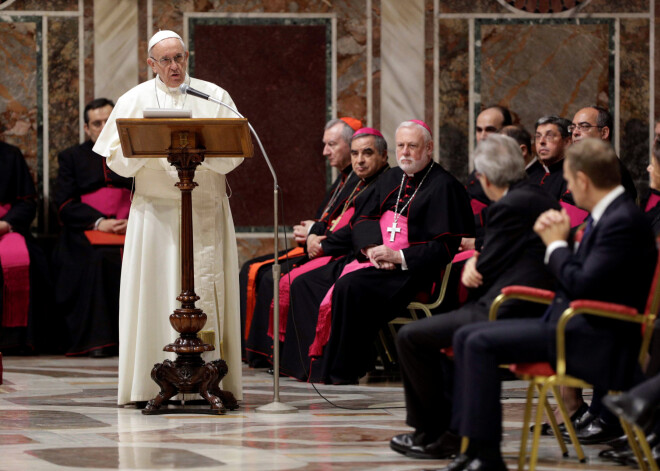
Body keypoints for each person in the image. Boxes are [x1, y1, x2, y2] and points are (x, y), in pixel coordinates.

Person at [439, 138, 656, 471]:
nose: (567, 188)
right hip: (573, 325)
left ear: (583, 180)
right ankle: (473, 451)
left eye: (568, 181)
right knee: (469, 335)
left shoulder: (622, 220)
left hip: (596, 338)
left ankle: (486, 457)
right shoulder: (609, 216)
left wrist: (555, 247)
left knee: (478, 340)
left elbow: (583, 284)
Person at [93, 30, 243, 406]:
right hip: (156, 216)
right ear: (151, 63)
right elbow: (116, 160)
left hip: (204, 208)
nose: (174, 66)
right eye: (166, 60)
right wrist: (149, 147)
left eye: (180, 58)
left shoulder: (213, 96)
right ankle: (152, 383)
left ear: (187, 56)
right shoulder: (135, 99)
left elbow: (236, 149)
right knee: (157, 290)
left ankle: (210, 379)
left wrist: (201, 150)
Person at [389, 134, 560, 460]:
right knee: (435, 335)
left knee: (411, 336)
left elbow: (485, 270)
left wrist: (479, 260)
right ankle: (446, 431)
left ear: (484, 177)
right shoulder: (533, 196)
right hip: (528, 305)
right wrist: (481, 257)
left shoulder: (510, 205)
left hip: (510, 309)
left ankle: (433, 432)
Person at [280, 120, 474, 384]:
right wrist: (371, 248)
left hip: (414, 271)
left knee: (350, 287)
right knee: (305, 283)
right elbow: (362, 218)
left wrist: (399, 257)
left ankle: (341, 372)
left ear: (429, 148)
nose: (404, 152)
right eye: (401, 146)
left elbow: (444, 247)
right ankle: (305, 365)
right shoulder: (391, 178)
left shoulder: (445, 186)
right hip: (374, 258)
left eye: (412, 146)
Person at [242, 117, 362, 366]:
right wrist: (312, 230)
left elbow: (344, 226)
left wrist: (313, 232)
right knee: (252, 270)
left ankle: (274, 356)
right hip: (319, 245)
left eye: (331, 144)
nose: (324, 152)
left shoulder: (360, 182)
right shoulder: (343, 179)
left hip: (334, 252)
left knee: (269, 277)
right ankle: (255, 353)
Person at [268, 127, 389, 346]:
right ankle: (287, 358)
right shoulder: (358, 182)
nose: (360, 160)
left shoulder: (384, 183)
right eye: (355, 154)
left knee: (300, 282)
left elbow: (360, 227)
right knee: (283, 278)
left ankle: (309, 358)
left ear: (384, 155)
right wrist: (314, 236)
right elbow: (328, 216)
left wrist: (324, 244)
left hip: (352, 255)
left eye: (367, 153)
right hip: (335, 248)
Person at [53, 98, 132, 357]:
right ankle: (99, 342)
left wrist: (133, 220)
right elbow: (64, 203)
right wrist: (101, 222)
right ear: (87, 128)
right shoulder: (71, 157)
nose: (103, 127)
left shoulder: (134, 154)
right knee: (96, 260)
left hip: (132, 226)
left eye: (108, 121)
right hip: (87, 228)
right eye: (96, 123)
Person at [0, 142, 52, 353]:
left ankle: (13, 341)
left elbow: (27, 202)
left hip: (5, 226)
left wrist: (5, 223)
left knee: (31, 261)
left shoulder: (10, 155)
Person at [463, 106, 512, 250]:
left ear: (505, 132)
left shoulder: (510, 170)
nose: (483, 136)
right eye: (479, 130)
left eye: (489, 130)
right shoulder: (479, 166)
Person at [570, 106, 637, 201]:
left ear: (604, 133)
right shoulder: (582, 165)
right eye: (573, 127)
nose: (575, 132)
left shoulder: (613, 172)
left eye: (584, 126)